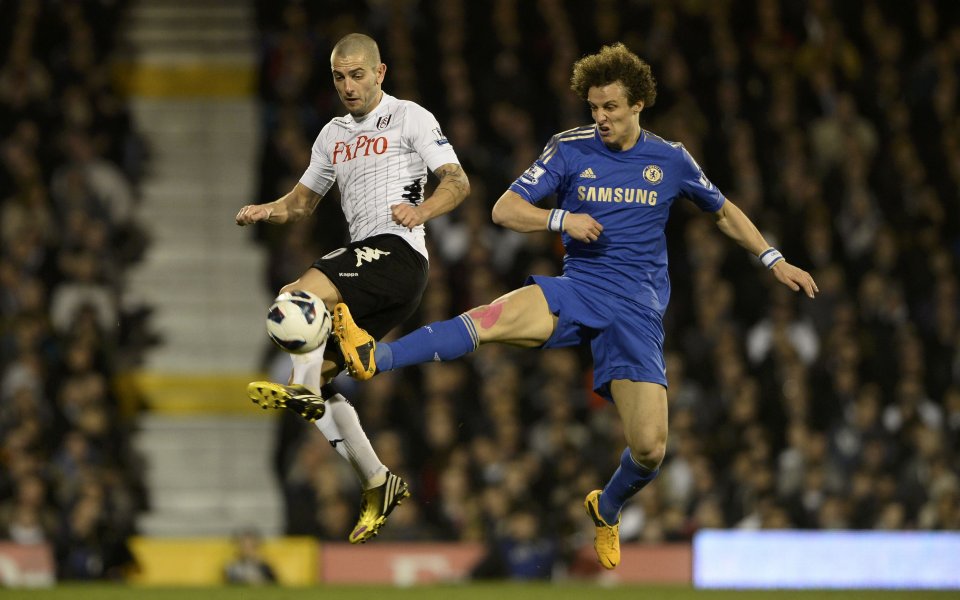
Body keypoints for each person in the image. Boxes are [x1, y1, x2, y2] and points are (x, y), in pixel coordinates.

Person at [332, 43, 817, 569]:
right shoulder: (569, 149)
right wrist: (560, 220)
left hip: (637, 312)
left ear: (638, 105)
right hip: (580, 289)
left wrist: (773, 259)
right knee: (491, 319)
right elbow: (504, 209)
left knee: (651, 450)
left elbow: (723, 212)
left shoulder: (671, 159)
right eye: (594, 108)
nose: (601, 118)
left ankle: (606, 508)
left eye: (610, 107)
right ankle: (375, 357)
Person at [235, 33, 470, 543]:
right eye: (339, 76)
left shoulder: (412, 117)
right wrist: (266, 210)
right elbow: (301, 203)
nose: (348, 85)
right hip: (378, 275)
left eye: (358, 74)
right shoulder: (331, 135)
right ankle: (377, 479)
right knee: (318, 383)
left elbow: (457, 180)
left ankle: (302, 382)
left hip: (399, 254)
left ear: (381, 72)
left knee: (294, 296)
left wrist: (423, 210)